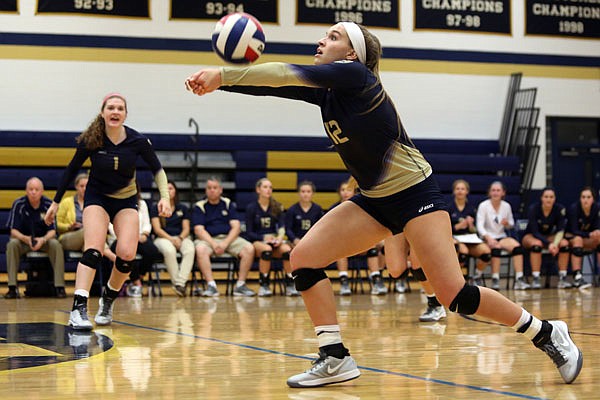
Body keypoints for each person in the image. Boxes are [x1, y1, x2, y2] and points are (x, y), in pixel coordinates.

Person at [185, 21, 582, 387]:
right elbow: (274, 84)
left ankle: (546, 332)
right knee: (303, 256)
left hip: (415, 193)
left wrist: (223, 74)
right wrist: (220, 84)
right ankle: (335, 356)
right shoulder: (330, 93)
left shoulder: (357, 76)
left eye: (333, 36)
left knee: (454, 296)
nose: (322, 41)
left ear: (352, 54)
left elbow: (285, 72)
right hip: (374, 200)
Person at [44, 93, 171, 330]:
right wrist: (55, 202)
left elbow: (158, 170)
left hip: (125, 201)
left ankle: (108, 299)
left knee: (126, 257)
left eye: (120, 108)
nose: (115, 112)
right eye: (110, 107)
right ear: (102, 112)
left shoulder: (138, 141)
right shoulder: (92, 139)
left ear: (125, 114)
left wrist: (165, 197)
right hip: (97, 198)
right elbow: (71, 170)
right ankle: (79, 308)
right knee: (93, 251)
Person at [192, 177, 256, 297]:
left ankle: (240, 285)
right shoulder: (199, 206)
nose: (212, 190)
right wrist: (214, 244)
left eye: (215, 188)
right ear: (206, 190)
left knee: (249, 248)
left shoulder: (228, 203)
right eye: (209, 188)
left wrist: (225, 243)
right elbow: (199, 230)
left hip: (228, 239)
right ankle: (211, 286)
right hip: (208, 240)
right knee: (200, 249)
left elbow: (236, 227)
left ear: (220, 190)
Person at [5, 177, 66, 299]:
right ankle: (12, 287)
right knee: (12, 244)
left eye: (36, 189)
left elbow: (53, 231)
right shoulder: (19, 204)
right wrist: (25, 238)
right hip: (24, 241)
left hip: (43, 241)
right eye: (31, 189)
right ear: (26, 190)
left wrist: (43, 240)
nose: (33, 192)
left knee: (56, 245)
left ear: (42, 191)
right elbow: (13, 230)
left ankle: (60, 287)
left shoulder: (48, 205)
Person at [329, 179, 387, 296]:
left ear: (354, 192)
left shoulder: (361, 207)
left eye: (348, 190)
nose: (345, 192)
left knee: (374, 248)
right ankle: (344, 281)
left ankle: (376, 279)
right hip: (344, 245)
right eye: (343, 190)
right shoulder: (334, 209)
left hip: (360, 244)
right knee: (340, 250)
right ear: (339, 192)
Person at [243, 178, 297, 297]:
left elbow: (282, 227)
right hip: (258, 241)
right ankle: (264, 284)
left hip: (274, 241)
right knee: (266, 251)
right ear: (258, 190)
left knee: (287, 251)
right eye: (265, 187)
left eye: (270, 187)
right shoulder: (251, 208)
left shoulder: (276, 206)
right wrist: (264, 238)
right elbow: (249, 232)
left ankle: (290, 284)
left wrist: (279, 238)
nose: (268, 190)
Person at [109, 185, 162, 297]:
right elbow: (110, 225)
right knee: (124, 252)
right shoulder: (113, 201)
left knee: (152, 251)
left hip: (139, 237)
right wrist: (126, 236)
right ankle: (137, 283)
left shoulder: (142, 204)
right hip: (120, 238)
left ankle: (139, 278)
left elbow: (147, 223)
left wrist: (145, 233)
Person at [476, 181, 530, 290]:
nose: (495, 192)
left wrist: (507, 224)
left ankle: (519, 279)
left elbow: (511, 225)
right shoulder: (483, 205)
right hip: (487, 237)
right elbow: (479, 226)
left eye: (498, 190)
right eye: (493, 190)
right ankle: (495, 279)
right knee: (496, 249)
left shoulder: (506, 206)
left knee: (518, 248)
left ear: (503, 193)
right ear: (489, 193)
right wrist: (488, 238)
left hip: (501, 236)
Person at [385, 234, 446, 322]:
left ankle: (435, 303)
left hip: (418, 221)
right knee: (396, 271)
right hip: (394, 221)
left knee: (418, 266)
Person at [150, 180, 195, 297]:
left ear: (175, 191)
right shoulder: (156, 208)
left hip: (180, 237)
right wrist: (171, 239)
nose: (168, 191)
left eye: (171, 188)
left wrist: (179, 238)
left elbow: (186, 228)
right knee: (169, 250)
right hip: (163, 238)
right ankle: (178, 285)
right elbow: (157, 229)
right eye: (166, 188)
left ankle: (180, 283)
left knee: (190, 249)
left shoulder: (182, 208)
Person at [521, 188, 570, 289]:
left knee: (564, 244)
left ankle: (562, 278)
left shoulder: (559, 209)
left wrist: (555, 244)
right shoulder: (534, 209)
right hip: (531, 236)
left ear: (555, 199)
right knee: (537, 245)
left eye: (551, 197)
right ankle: (536, 278)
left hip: (549, 237)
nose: (549, 199)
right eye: (546, 197)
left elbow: (561, 230)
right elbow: (535, 232)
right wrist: (549, 244)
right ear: (541, 198)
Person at [448, 179, 492, 285]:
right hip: (455, 238)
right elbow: (445, 229)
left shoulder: (471, 209)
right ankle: (457, 281)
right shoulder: (449, 208)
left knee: (486, 253)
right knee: (463, 252)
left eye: (462, 189)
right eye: (457, 189)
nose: (460, 191)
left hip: (470, 238)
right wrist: (459, 226)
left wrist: (471, 225)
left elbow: (475, 230)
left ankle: (476, 276)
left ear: (467, 191)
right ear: (454, 191)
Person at [565, 186, 599, 289]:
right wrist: (589, 234)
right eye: (583, 197)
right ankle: (577, 277)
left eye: (588, 197)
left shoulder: (597, 208)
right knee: (578, 239)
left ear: (593, 199)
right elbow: (574, 230)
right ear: (580, 199)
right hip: (571, 238)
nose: (585, 200)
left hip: (588, 239)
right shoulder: (574, 209)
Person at [284, 181, 324, 247]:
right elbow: (288, 229)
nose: (305, 194)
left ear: (313, 193)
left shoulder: (318, 209)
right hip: (296, 242)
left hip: (313, 241)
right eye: (303, 191)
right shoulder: (292, 210)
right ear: (298, 193)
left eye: (308, 192)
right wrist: (294, 239)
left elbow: (321, 228)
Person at [56, 173, 88, 252]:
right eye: (81, 186)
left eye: (87, 186)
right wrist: (69, 226)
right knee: (88, 232)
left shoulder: (94, 204)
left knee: (90, 249)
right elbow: (56, 224)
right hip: (68, 236)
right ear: (76, 187)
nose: (84, 188)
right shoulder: (66, 202)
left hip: (87, 239)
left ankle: (113, 260)